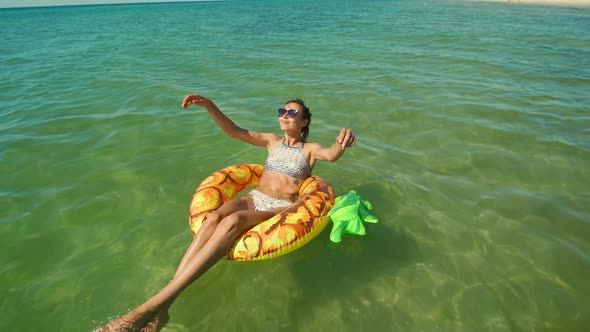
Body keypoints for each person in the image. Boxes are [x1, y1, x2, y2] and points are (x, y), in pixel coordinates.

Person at [96, 94, 356, 332]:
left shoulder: (309, 150)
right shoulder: (271, 141)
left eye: (292, 113)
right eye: (282, 111)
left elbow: (331, 155)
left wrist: (341, 144)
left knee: (233, 220)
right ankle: (163, 308)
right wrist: (209, 105)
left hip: (278, 206)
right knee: (214, 217)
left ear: (304, 121)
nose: (284, 115)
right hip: (254, 197)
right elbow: (233, 131)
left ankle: (146, 309)